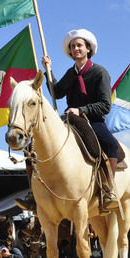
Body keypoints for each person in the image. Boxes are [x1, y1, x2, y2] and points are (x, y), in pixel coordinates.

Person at [17, 29, 119, 213]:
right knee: (32, 147)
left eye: (79, 45)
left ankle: (108, 190)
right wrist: (49, 71)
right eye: (73, 46)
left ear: (88, 48)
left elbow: (105, 105)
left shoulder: (100, 73)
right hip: (69, 120)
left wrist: (81, 110)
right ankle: (33, 195)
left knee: (110, 145)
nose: (76, 49)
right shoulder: (70, 73)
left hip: (92, 121)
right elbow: (57, 91)